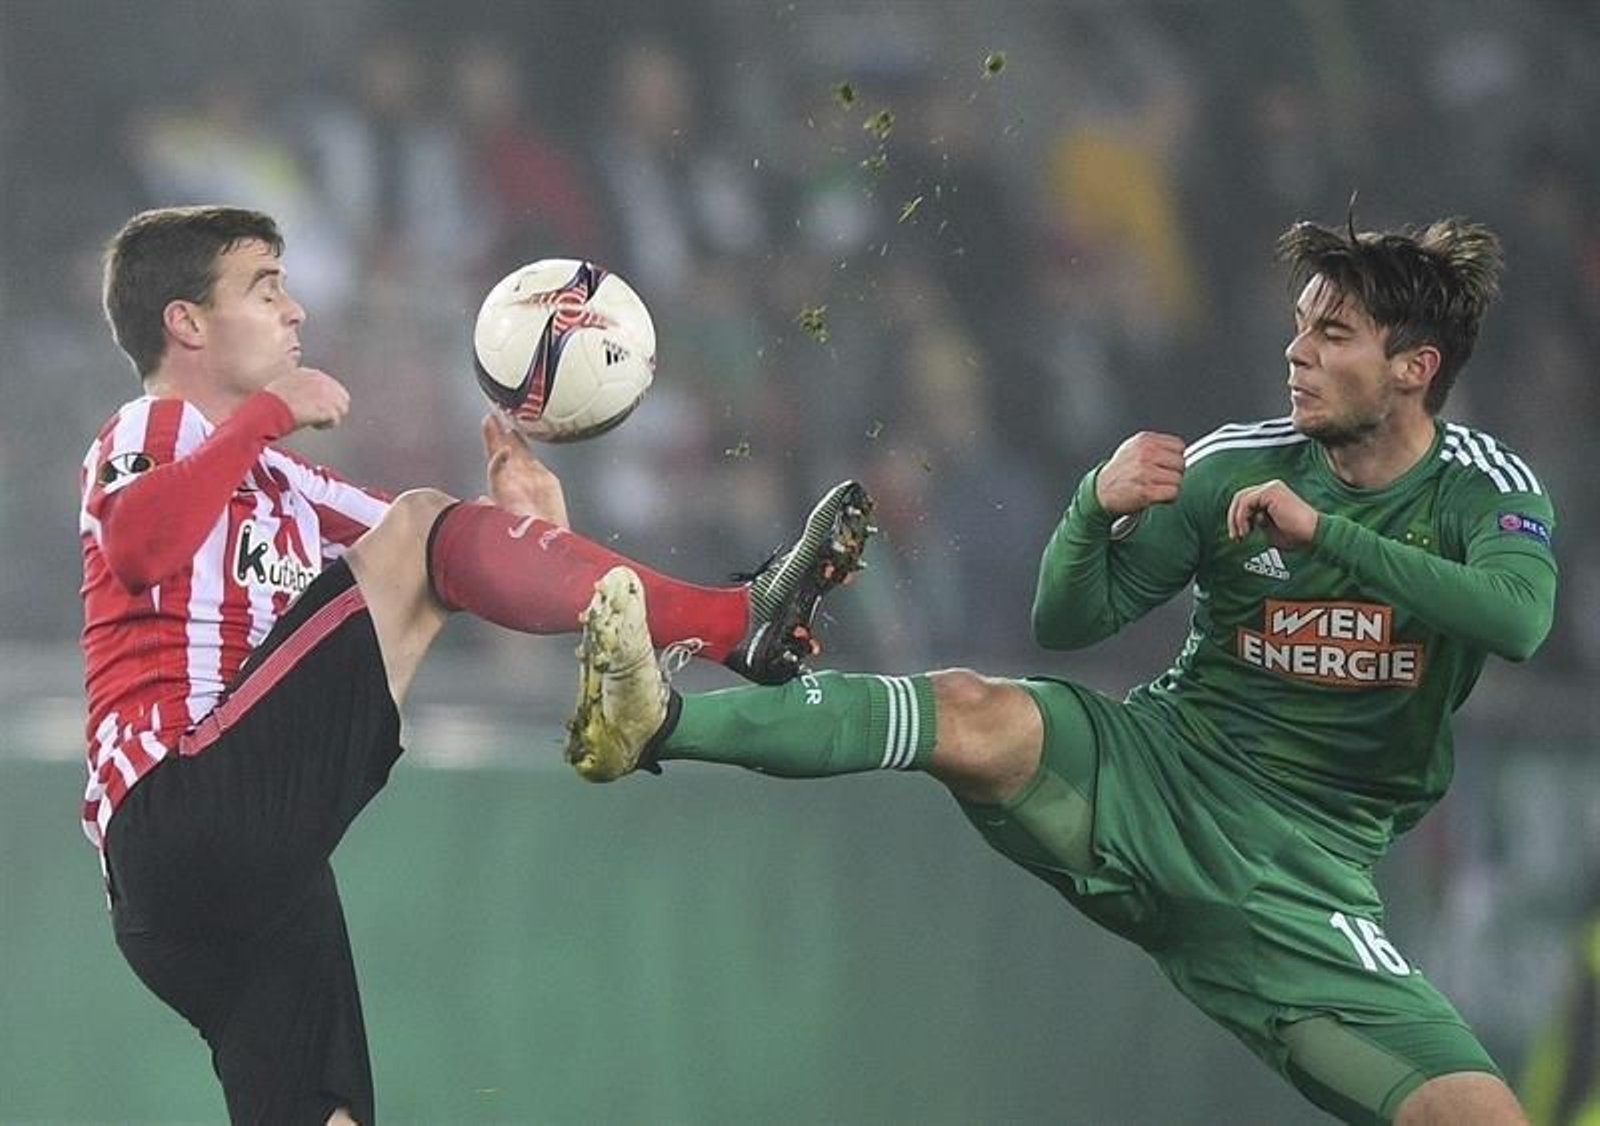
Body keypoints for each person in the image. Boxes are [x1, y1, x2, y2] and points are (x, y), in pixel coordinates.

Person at [567, 216, 1558, 1125]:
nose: (1294, 353)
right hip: (1154, 774)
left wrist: (1328, 537)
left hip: (1301, 876)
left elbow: (1518, 620)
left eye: (1331, 335)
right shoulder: (1229, 468)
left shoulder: (1483, 491)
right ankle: (654, 721)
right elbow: (1065, 620)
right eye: (1298, 326)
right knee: (969, 708)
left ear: (1412, 368)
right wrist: (1092, 507)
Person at [79, 205, 873, 1125]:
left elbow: (451, 560)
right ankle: (737, 622)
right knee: (422, 525)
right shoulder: (154, 425)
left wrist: (532, 531)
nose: (295, 311)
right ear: (186, 322)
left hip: (232, 882)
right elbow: (139, 545)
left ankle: (725, 624)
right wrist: (265, 414)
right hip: (180, 800)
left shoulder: (294, 486)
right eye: (265, 287)